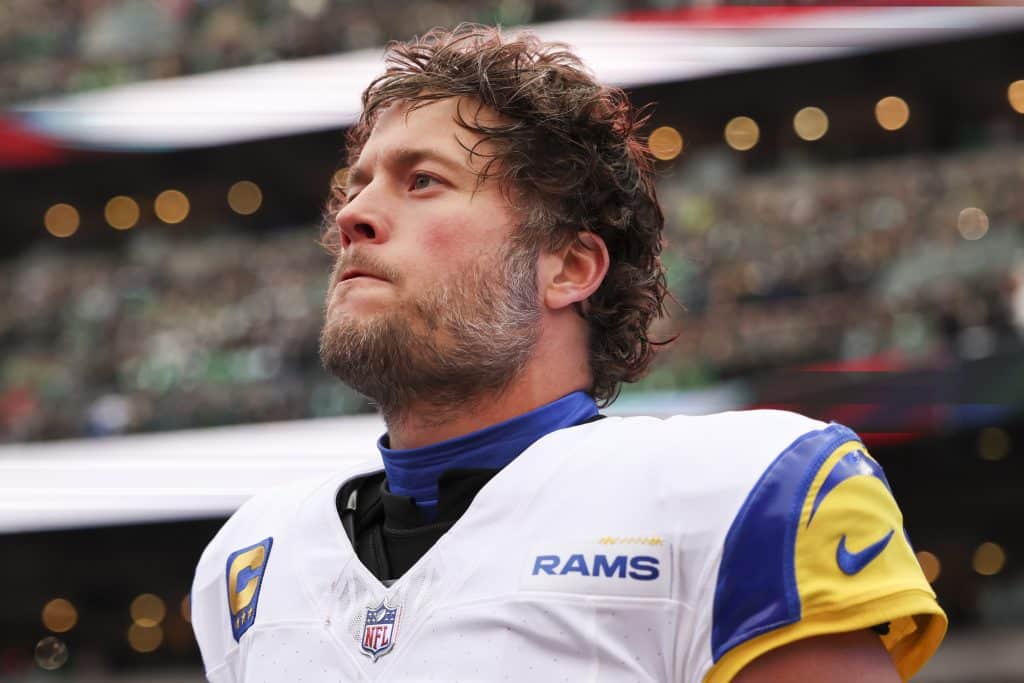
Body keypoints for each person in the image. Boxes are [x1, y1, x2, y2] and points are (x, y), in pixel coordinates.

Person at [191, 24, 945, 682]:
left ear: (569, 268)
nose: (352, 215)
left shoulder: (739, 494)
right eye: (353, 188)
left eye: (423, 180)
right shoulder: (255, 557)